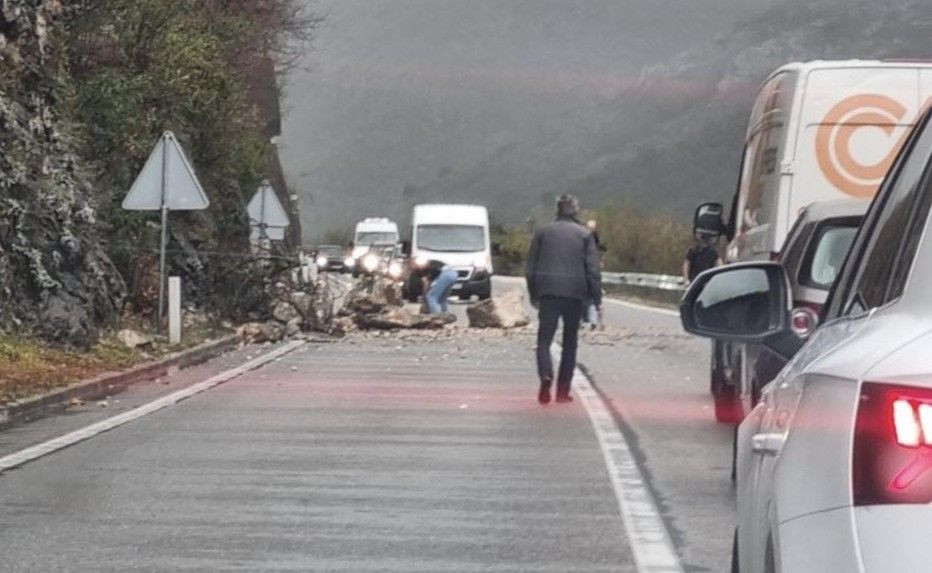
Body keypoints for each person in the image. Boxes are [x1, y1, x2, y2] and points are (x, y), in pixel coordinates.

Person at [526, 195, 602, 405]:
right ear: (575, 211)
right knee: (570, 343)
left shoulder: (543, 233)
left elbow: (531, 267)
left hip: (548, 292)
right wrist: (596, 298)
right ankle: (562, 392)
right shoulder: (584, 235)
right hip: (575, 294)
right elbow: (592, 269)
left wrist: (534, 293)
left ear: (558, 210)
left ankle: (545, 375)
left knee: (544, 340)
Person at [583, 219, 607, 329]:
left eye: (593, 228)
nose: (591, 230)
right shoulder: (581, 237)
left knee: (591, 297)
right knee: (587, 297)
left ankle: (592, 321)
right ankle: (587, 321)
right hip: (584, 271)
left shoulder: (590, 238)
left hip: (590, 270)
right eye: (590, 227)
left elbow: (601, 250)